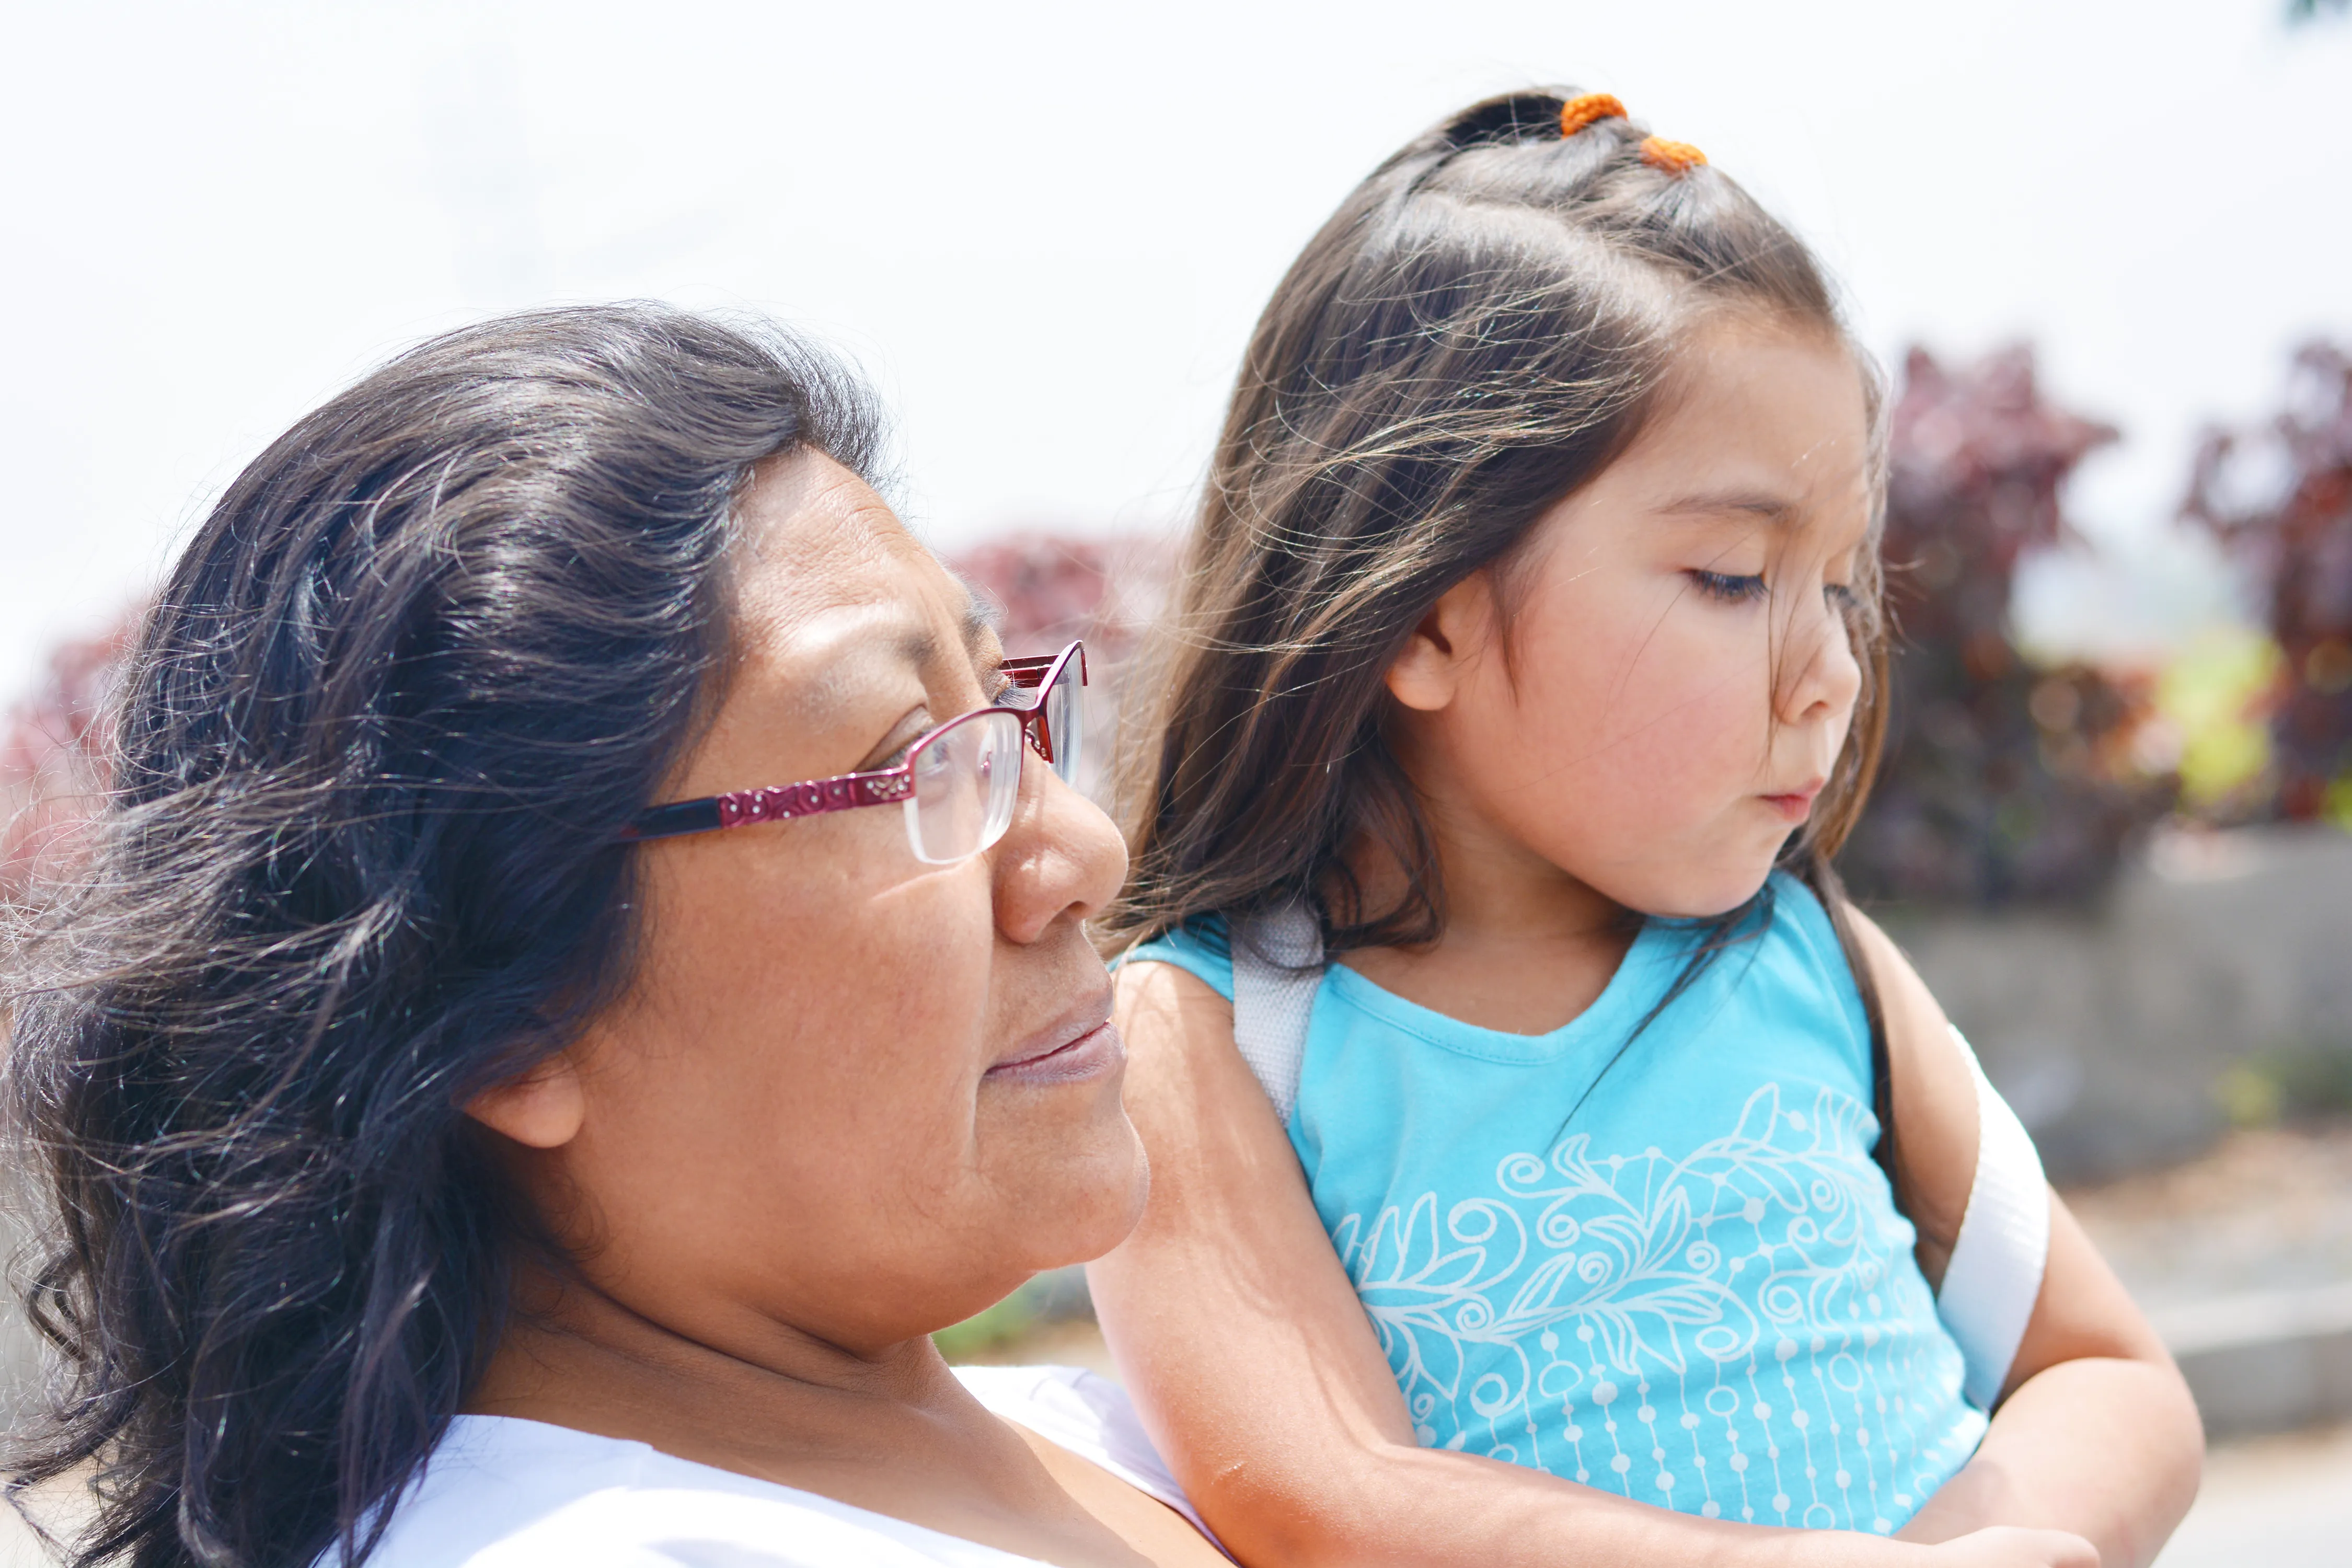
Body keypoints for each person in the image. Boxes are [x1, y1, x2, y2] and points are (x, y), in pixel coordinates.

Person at [1090, 91, 2201, 1568]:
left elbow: (2108, 1376)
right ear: (1422, 612)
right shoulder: (1210, 1044)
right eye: (1735, 579)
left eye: (1843, 586)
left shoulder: (1804, 957)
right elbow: (1328, 1501)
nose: (1832, 672)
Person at [3, 306, 1231, 1567]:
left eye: (1006, 716)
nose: (1080, 854)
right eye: (907, 765)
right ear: (503, 1022)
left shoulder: (1160, 1435)